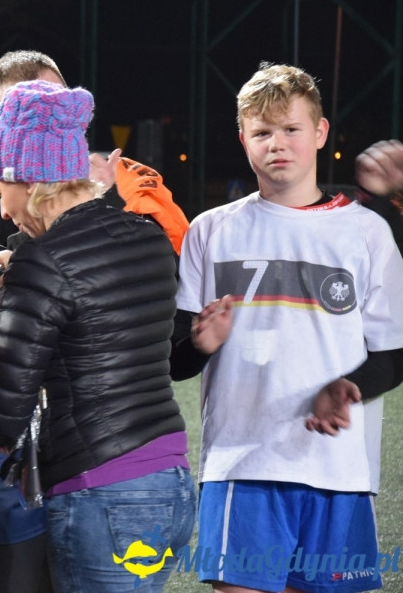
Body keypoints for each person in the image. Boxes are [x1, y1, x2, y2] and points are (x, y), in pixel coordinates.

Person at [173, 63, 403, 593]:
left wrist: (350, 386)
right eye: (262, 132)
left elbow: (393, 353)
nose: (277, 143)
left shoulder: (366, 232)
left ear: (319, 132)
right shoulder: (211, 230)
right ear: (243, 140)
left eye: (291, 129)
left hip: (339, 470)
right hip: (242, 463)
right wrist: (200, 345)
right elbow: (175, 359)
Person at [0, 80, 196, 593]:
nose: (3, 211)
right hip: (171, 483)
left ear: (29, 180)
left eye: (2, 193)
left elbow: (6, 409)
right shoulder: (147, 237)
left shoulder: (43, 261)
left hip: (101, 489)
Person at [0, 50, 189, 256]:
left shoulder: (119, 178)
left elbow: (156, 265)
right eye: (28, 113)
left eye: (60, 106)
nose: (51, 120)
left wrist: (103, 202)